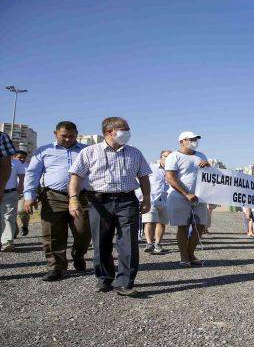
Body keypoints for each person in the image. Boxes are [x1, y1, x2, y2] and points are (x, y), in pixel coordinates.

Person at [68, 117, 152, 296]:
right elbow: (75, 177)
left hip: (127, 200)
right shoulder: (89, 152)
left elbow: (144, 176)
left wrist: (146, 198)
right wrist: (73, 199)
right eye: (124, 129)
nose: (128, 132)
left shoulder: (135, 153)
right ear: (109, 132)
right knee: (101, 241)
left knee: (128, 241)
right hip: (99, 201)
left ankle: (125, 282)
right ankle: (104, 279)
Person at [23, 122, 92, 281]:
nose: (68, 139)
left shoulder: (86, 151)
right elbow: (32, 174)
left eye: (71, 136)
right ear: (55, 134)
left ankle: (78, 253)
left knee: (83, 232)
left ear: (77, 134)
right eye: (64, 136)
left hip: (81, 197)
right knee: (53, 234)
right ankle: (56, 267)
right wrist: (29, 196)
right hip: (53, 197)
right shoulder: (44, 151)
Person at [165, 131, 209, 267]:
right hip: (179, 197)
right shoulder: (174, 156)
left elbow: (208, 176)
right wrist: (186, 193)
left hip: (199, 197)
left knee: (200, 226)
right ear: (182, 141)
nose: (194, 141)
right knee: (183, 227)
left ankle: (191, 253)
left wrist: (208, 167)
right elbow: (170, 178)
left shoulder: (201, 156)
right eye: (191, 139)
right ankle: (184, 257)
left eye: (196, 139)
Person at [141, 149, 171, 254]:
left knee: (161, 223)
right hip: (151, 199)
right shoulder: (151, 167)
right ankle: (149, 243)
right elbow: (142, 181)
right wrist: (142, 198)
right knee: (149, 221)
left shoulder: (173, 170)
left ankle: (158, 244)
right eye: (166, 156)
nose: (168, 158)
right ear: (161, 157)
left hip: (165, 200)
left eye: (170, 157)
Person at [0, 149, 25, 251]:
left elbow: (22, 175)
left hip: (10, 193)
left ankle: (7, 242)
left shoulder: (16, 162)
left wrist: (20, 185)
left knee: (8, 217)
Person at [13, 151, 30, 237]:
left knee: (21, 210)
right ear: (14, 157)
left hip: (24, 193)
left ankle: (25, 226)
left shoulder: (28, 167)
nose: (22, 159)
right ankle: (13, 231)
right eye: (20, 157)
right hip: (11, 192)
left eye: (24, 158)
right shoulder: (10, 166)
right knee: (11, 214)